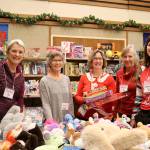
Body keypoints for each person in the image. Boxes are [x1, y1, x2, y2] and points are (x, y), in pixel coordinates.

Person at [74, 49, 116, 120]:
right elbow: (77, 97)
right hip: (85, 117)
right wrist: (84, 99)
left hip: (103, 118)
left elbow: (113, 100)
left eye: (100, 59)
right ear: (91, 61)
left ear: (103, 61)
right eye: (95, 59)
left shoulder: (109, 78)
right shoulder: (84, 77)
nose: (98, 61)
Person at [39, 50, 74, 122]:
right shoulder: (44, 81)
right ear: (50, 62)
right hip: (53, 121)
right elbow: (46, 104)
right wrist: (51, 122)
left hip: (66, 120)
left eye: (60, 60)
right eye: (54, 60)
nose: (57, 63)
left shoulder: (66, 79)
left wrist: (71, 117)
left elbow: (70, 100)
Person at [0, 39, 25, 121]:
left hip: (11, 120)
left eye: (20, 52)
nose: (17, 54)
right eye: (14, 51)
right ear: (7, 52)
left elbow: (20, 98)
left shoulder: (20, 74)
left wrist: (21, 114)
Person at [114, 46, 140, 119]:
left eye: (130, 56)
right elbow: (117, 93)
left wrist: (134, 116)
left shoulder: (139, 72)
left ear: (135, 58)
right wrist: (115, 112)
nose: (127, 59)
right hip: (121, 112)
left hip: (135, 113)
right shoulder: (119, 73)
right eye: (125, 57)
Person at [131, 37, 150, 125]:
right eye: (149, 45)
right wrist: (134, 116)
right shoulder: (142, 70)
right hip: (143, 114)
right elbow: (138, 96)